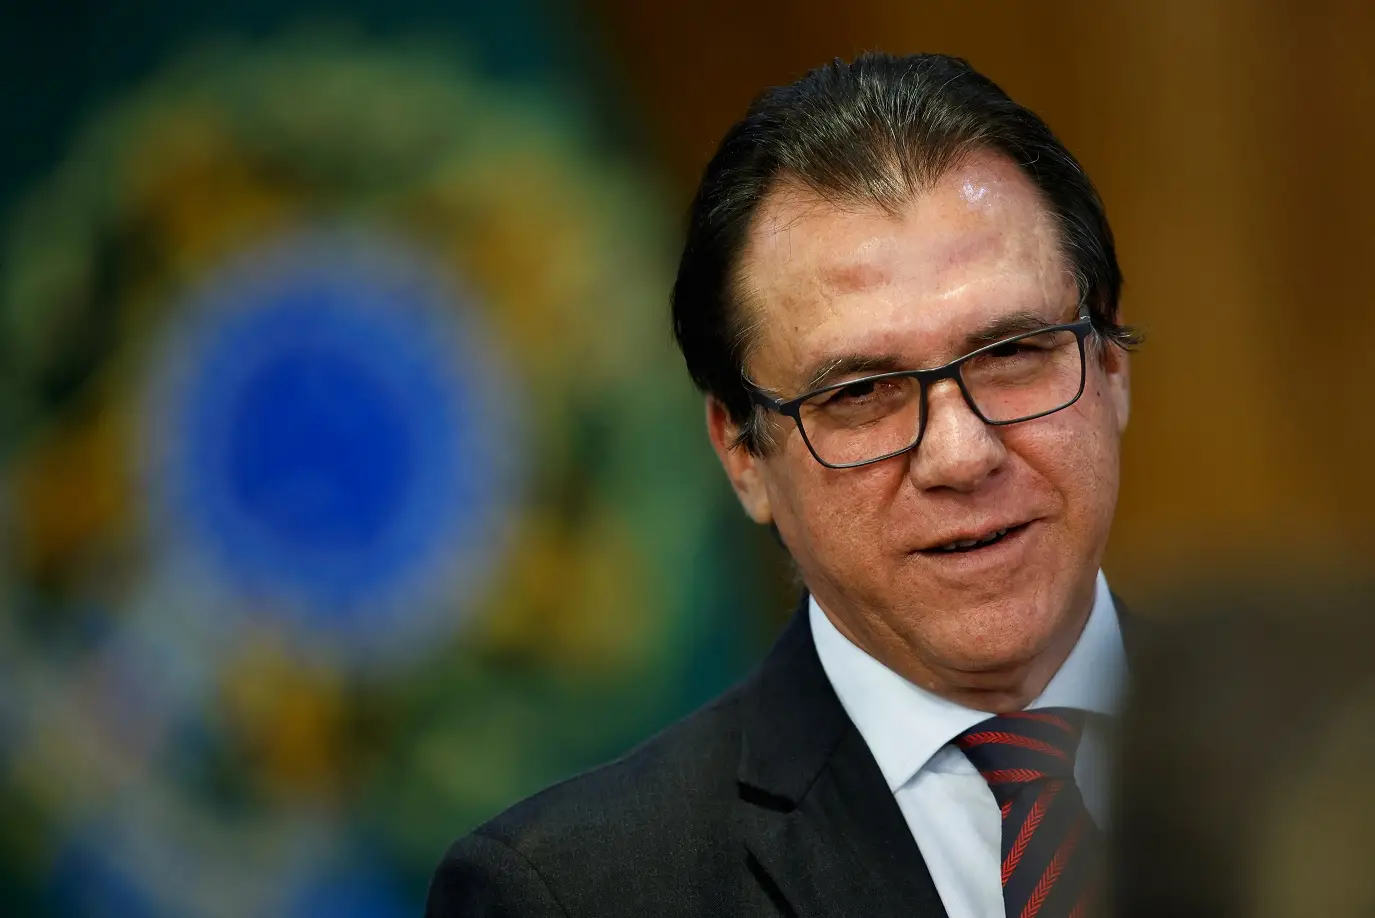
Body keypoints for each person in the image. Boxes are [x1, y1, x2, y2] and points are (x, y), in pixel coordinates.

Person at [427, 51, 1138, 918]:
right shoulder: (572, 894)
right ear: (742, 454)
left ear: (1109, 364)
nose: (961, 455)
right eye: (859, 394)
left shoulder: (1296, 756)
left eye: (1012, 352)